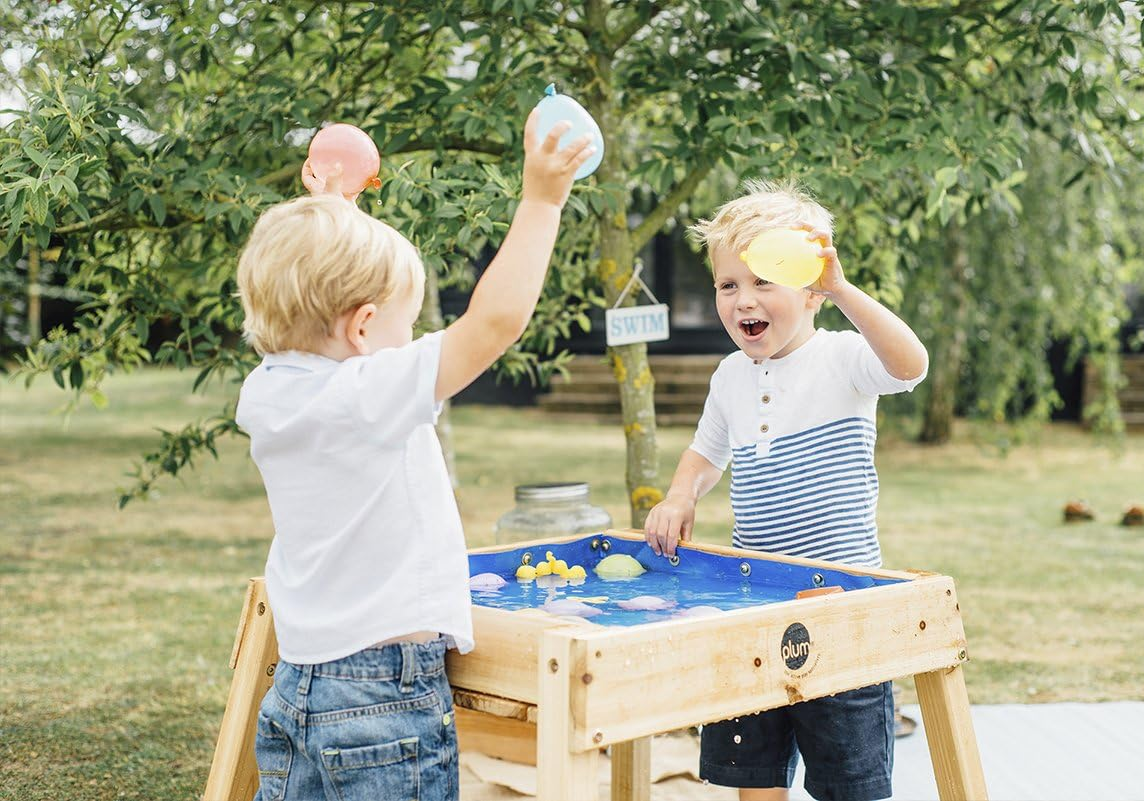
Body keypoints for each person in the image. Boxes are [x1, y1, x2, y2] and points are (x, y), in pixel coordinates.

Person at [234, 111, 595, 801]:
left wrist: (334, 210)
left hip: (301, 682)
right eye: (409, 322)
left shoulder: (269, 393)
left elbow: (312, 286)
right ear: (364, 328)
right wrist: (542, 200)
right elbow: (494, 323)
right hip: (382, 696)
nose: (418, 338)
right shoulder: (365, 394)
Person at [642, 179, 928, 801]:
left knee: (848, 777)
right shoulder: (729, 377)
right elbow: (705, 453)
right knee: (754, 769)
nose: (743, 299)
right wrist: (681, 494)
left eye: (764, 280)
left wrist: (844, 288)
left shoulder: (843, 359)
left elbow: (910, 365)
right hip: (755, 602)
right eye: (728, 285)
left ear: (811, 290)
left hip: (842, 603)